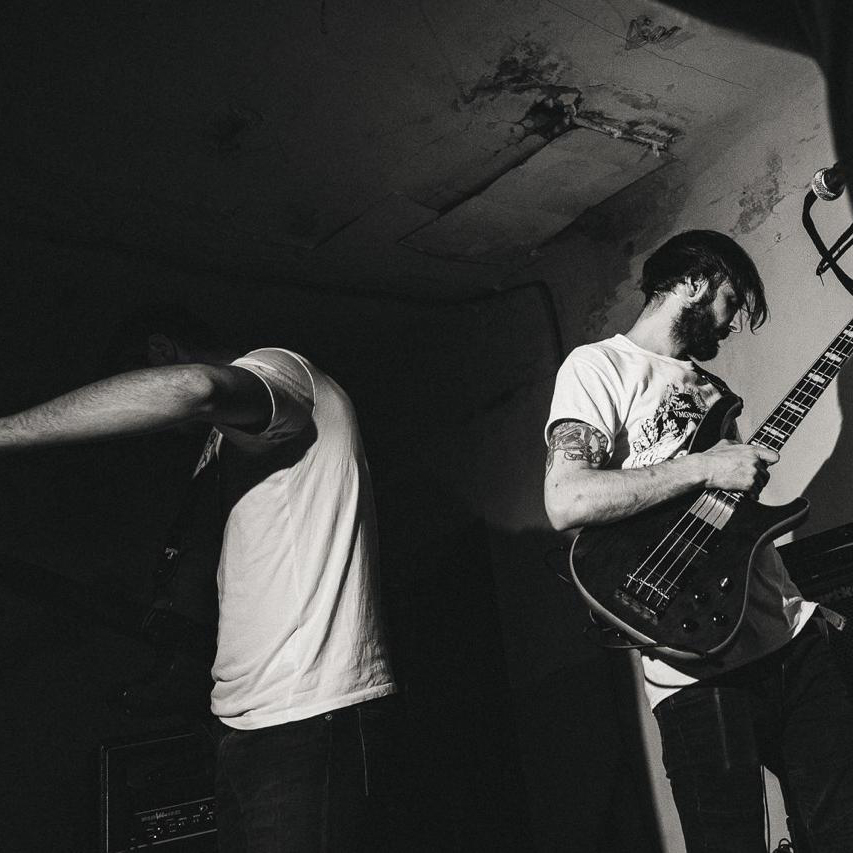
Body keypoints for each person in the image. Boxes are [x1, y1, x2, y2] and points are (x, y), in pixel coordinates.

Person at [0, 307, 398, 851]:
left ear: (160, 352)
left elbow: (195, 387)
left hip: (307, 711)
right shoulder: (227, 443)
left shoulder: (281, 369)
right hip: (246, 721)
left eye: (134, 381)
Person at [543, 230, 853, 851]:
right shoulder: (598, 366)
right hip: (695, 668)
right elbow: (567, 499)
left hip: (789, 640)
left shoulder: (714, 393)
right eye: (731, 301)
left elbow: (732, 520)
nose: (733, 322)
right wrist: (707, 466)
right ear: (692, 283)